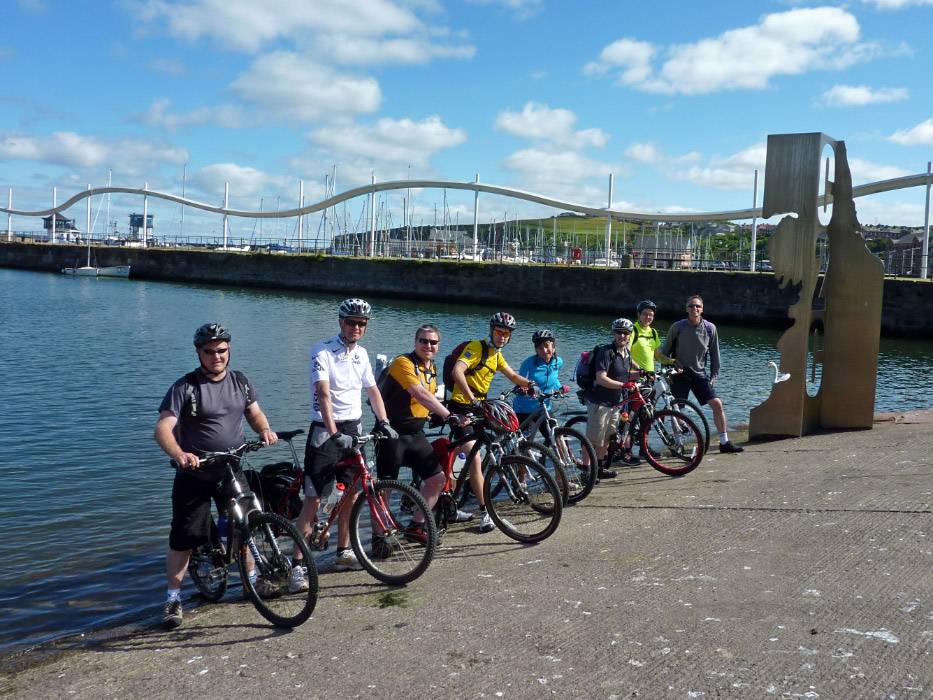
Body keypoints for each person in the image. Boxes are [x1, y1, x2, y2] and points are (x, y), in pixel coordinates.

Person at [154, 323, 278, 629]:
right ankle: (173, 598)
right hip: (194, 472)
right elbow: (163, 428)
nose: (216, 356)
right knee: (183, 537)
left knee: (247, 523)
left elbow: (254, 412)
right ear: (199, 353)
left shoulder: (240, 381)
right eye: (209, 352)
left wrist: (263, 429)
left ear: (229, 351)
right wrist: (178, 454)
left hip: (231, 467)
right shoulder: (185, 387)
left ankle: (251, 580)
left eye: (221, 350)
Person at [290, 299, 398, 591]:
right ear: (340, 322)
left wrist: (384, 421)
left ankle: (343, 552)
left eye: (362, 323)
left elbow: (373, 391)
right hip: (326, 431)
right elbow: (323, 394)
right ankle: (297, 566)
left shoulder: (362, 354)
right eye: (351, 322)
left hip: (354, 427)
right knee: (313, 499)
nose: (356, 328)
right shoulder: (321, 350)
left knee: (351, 492)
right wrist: (335, 432)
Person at [376, 324, 472, 539]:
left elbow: (422, 399)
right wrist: (449, 415)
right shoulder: (403, 363)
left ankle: (415, 527)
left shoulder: (431, 367)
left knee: (437, 480)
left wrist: (432, 415)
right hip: (391, 434)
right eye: (423, 341)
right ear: (415, 342)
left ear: (438, 345)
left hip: (415, 434)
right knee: (385, 489)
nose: (428, 345)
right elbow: (418, 393)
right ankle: (378, 539)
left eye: (433, 342)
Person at [448, 312, 536, 533]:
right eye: (499, 332)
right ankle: (485, 512)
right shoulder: (477, 348)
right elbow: (457, 371)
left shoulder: (496, 356)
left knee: (494, 444)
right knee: (474, 459)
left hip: (479, 408)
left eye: (506, 334)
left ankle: (455, 492)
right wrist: (471, 400)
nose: (502, 337)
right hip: (461, 408)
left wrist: (531, 384)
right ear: (491, 331)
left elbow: (514, 377)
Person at [659, 295, 744, 454]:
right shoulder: (677, 327)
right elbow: (664, 354)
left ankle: (724, 442)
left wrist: (714, 376)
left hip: (700, 374)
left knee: (717, 404)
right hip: (679, 375)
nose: (695, 309)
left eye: (698, 306)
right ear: (686, 309)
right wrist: (666, 374)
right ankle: (679, 444)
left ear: (702, 309)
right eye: (691, 306)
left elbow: (715, 355)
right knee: (677, 410)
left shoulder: (710, 328)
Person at [586, 318, 644, 477]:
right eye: (619, 332)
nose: (622, 336)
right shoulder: (606, 352)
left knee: (607, 437)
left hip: (615, 403)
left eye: (626, 333)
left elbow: (625, 374)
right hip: (600, 402)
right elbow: (601, 378)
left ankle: (598, 469)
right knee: (592, 439)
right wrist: (622, 385)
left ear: (630, 335)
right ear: (614, 333)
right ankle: (586, 470)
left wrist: (643, 373)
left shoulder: (626, 354)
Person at [513, 329, 563, 437]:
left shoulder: (558, 362)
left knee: (555, 436)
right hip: (525, 409)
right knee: (524, 442)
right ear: (536, 349)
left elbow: (554, 379)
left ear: (553, 346)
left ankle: (552, 454)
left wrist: (560, 388)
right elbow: (520, 382)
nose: (544, 350)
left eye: (547, 346)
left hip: (544, 407)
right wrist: (524, 389)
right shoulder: (528, 363)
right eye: (540, 347)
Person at [630, 300, 673, 374]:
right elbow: (624, 355)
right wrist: (641, 371)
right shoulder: (632, 330)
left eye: (651, 315)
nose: (648, 317)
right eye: (645, 314)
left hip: (650, 378)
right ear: (638, 314)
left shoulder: (653, 332)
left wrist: (674, 362)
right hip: (634, 378)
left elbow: (658, 356)